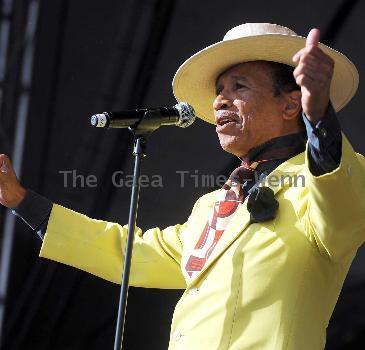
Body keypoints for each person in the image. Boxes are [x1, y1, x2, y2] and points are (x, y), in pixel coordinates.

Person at [1, 22, 364, 349]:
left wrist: (318, 115)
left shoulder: (332, 177)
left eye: (239, 86)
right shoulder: (213, 206)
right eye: (219, 89)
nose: (220, 99)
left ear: (290, 106)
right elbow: (130, 254)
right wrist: (21, 201)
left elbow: (338, 199)